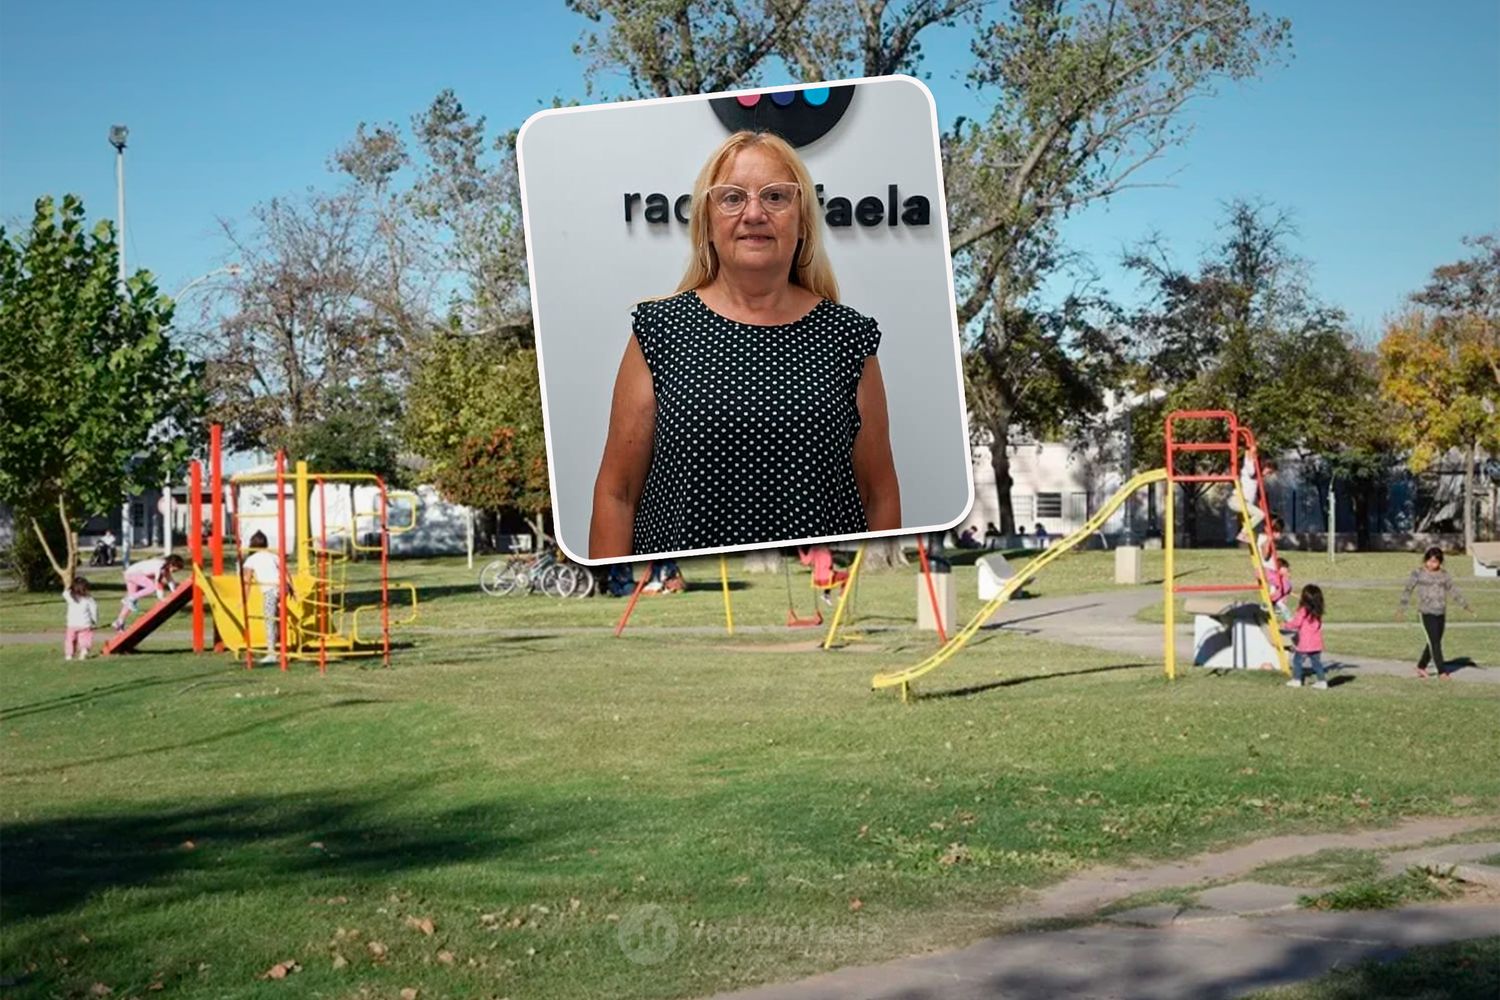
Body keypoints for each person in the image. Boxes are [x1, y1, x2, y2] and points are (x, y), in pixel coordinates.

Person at [590, 130, 901, 558]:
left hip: (823, 605)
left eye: (775, 197)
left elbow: (878, 494)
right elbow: (617, 493)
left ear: (803, 221)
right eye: (732, 198)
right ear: (707, 224)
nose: (754, 213)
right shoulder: (660, 331)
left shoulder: (848, 338)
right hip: (685, 609)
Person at [1398, 547, 1475, 679]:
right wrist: (1402, 608)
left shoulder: (1444, 575)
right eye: (1429, 560)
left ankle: (1421, 666)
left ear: (1440, 562)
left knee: (1433, 642)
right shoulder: (1418, 573)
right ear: (1425, 560)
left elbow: (1453, 591)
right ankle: (1442, 672)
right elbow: (1407, 590)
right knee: (1435, 643)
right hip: (1426, 612)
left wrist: (1465, 606)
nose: (1432, 564)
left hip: (1441, 612)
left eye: (1435, 561)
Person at [241, 531, 287, 663]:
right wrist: (291, 589)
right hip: (281, 588)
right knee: (278, 620)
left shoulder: (251, 559)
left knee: (269, 620)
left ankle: (272, 652)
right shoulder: (274, 556)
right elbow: (285, 572)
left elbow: (247, 581)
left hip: (270, 590)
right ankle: (279, 648)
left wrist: (244, 599)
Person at [112, 553, 184, 631]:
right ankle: (130, 598)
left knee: (131, 601)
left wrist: (175, 592)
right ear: (171, 564)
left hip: (129, 573)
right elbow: (158, 583)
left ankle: (119, 621)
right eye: (175, 569)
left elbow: (170, 581)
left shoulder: (165, 568)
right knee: (152, 587)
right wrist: (162, 598)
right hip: (133, 573)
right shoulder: (160, 566)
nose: (175, 571)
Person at [1283, 583, 1327, 689]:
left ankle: (1296, 680)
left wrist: (1285, 625)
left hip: (1305, 644)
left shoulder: (1303, 610)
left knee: (1297, 661)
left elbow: (1296, 623)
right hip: (1316, 643)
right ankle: (1322, 682)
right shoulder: (1318, 611)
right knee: (1317, 663)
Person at [1231, 452, 1275, 542]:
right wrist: (1248, 454)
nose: (1268, 474)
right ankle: (1243, 533)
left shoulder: (1256, 477)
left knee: (1252, 517)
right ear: (1263, 466)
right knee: (1260, 514)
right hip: (1237, 500)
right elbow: (1249, 465)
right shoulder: (1250, 472)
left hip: (1244, 502)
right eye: (1269, 471)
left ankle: (1245, 532)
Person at [63, 577, 99, 660]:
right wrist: (95, 621)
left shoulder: (71, 598)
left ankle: (69, 654)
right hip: (85, 624)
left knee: (70, 640)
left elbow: (65, 593)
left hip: (72, 624)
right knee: (85, 638)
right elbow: (94, 611)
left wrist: (69, 586)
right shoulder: (89, 599)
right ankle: (84, 650)